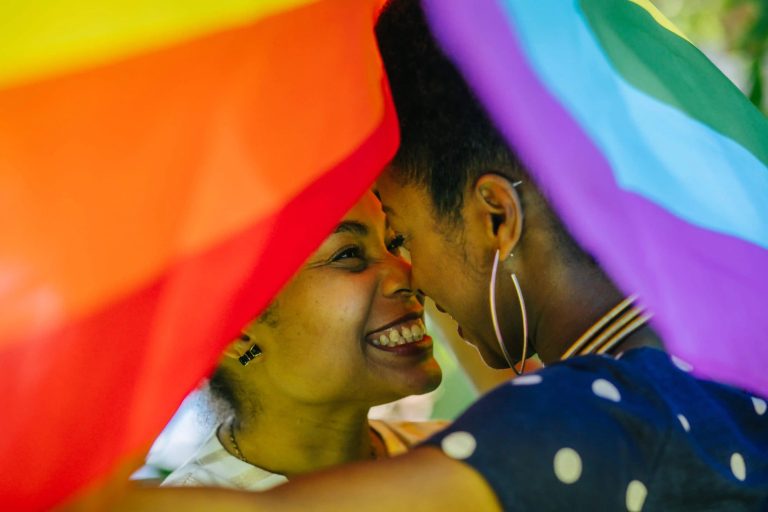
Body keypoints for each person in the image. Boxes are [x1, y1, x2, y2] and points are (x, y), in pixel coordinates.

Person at [116, 0, 768, 509]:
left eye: (400, 235)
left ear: (497, 218)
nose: (407, 270)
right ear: (232, 327)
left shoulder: (553, 426)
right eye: (352, 253)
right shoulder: (709, 361)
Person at [158, 190, 444, 490]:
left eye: (394, 244)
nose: (409, 275)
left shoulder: (462, 460)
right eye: (347, 254)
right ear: (238, 332)